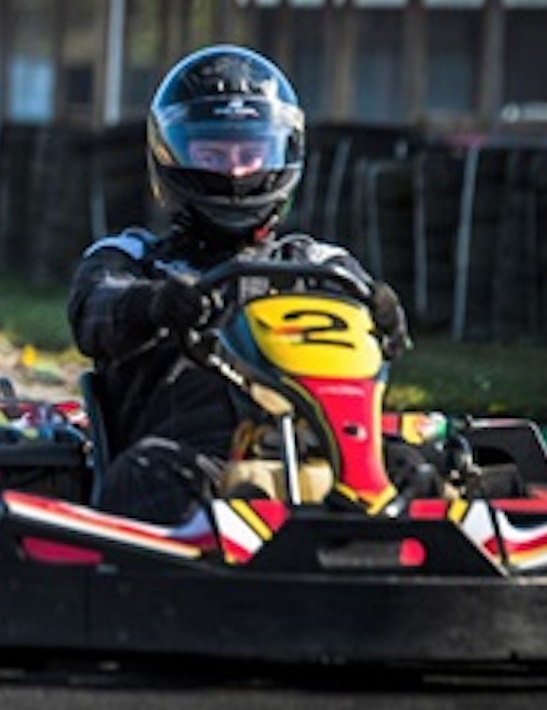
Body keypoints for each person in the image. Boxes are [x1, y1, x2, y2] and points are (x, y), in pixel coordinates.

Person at [66, 44, 409, 524]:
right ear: (169, 155)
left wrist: (385, 316)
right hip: (195, 462)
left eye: (251, 152)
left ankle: (399, 538)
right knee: (142, 477)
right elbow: (95, 310)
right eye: (212, 153)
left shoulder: (319, 266)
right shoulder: (135, 260)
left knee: (417, 466)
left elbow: (376, 337)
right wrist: (156, 304)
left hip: (319, 455)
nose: (235, 171)